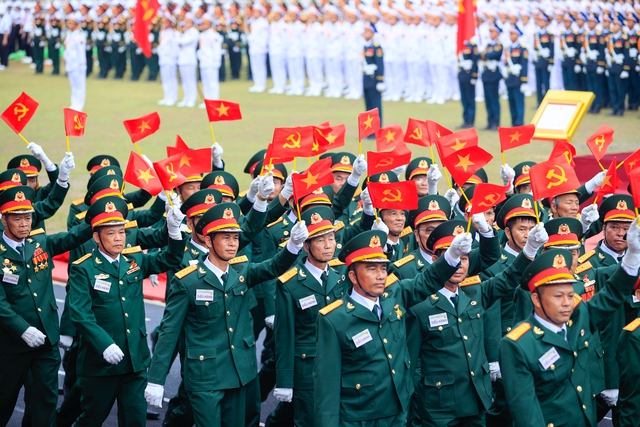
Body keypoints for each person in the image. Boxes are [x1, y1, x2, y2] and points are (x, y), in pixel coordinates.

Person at [145, 203, 309, 427]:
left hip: (240, 373)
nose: (233, 243)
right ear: (209, 240)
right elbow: (169, 332)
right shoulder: (187, 282)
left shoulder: (242, 271)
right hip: (205, 376)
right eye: (225, 237)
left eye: (235, 237)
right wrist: (156, 379)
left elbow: (272, 267)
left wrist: (293, 245)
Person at [313, 229, 469, 426]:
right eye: (371, 269)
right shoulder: (334, 319)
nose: (380, 276)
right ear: (353, 276)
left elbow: (428, 280)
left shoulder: (394, 296)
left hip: (398, 411)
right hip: (359, 418)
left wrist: (452, 255)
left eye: (383, 268)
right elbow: (326, 385)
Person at [500, 225, 640, 427]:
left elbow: (612, 294)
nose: (567, 302)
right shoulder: (517, 345)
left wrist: (633, 254)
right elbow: (526, 412)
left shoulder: (578, 318)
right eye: (558, 296)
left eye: (569, 294)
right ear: (536, 300)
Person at [68, 196, 186, 426]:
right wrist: (104, 344)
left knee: (134, 420)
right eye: (111, 233)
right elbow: (80, 314)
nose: (118, 238)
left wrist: (173, 230)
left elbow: (170, 258)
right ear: (96, 236)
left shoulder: (134, 261)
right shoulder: (84, 268)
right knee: (91, 419)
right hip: (100, 365)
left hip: (135, 362)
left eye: (121, 232)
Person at [0, 183, 93, 427]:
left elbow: (73, 237)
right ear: (4, 219)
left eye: (28, 217)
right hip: (11, 346)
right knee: (4, 401)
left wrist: (97, 216)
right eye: (17, 218)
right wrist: (22, 329)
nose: (24, 223)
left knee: (45, 402)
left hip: (45, 341)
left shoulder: (39, 242)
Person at [197, 14, 223, 108]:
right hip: (204, 61)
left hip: (211, 61)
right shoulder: (202, 35)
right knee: (205, 82)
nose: (202, 25)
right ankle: (207, 100)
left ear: (209, 24)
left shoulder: (214, 35)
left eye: (205, 24)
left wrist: (217, 61)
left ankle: (215, 101)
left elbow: (217, 49)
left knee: (212, 82)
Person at [504, 25, 528, 126]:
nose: (511, 36)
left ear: (518, 35)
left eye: (513, 34)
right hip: (510, 79)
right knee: (511, 102)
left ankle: (519, 122)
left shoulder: (522, 49)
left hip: (518, 80)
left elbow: (525, 65)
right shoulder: (508, 48)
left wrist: (524, 81)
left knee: (519, 103)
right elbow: (506, 63)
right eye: (510, 34)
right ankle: (513, 122)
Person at [481, 23, 503, 131]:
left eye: (493, 32)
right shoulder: (488, 45)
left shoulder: (498, 45)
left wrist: (484, 54)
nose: (491, 34)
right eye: (490, 32)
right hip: (486, 74)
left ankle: (496, 122)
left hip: (494, 74)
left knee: (494, 99)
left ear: (498, 34)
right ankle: (489, 121)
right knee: (488, 100)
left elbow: (492, 55)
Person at [63, 13, 87, 111]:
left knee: (80, 86)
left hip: (78, 64)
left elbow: (81, 52)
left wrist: (82, 65)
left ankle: (79, 105)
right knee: (73, 85)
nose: (69, 25)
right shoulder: (69, 34)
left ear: (76, 24)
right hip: (70, 63)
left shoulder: (79, 36)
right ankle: (74, 103)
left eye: (71, 23)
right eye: (68, 23)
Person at [362, 22, 385, 124]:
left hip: (374, 79)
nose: (365, 34)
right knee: (368, 105)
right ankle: (369, 130)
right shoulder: (365, 46)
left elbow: (380, 65)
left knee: (375, 105)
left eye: (367, 31)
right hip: (366, 78)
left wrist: (380, 80)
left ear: (372, 33)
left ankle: (377, 130)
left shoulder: (376, 47)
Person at [177, 14, 198, 108]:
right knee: (184, 80)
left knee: (190, 79)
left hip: (190, 58)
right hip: (183, 58)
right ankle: (186, 97)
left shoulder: (194, 32)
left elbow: (183, 42)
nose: (186, 24)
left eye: (188, 22)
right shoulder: (185, 32)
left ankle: (192, 98)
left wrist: (178, 38)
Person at [457, 39, 480, 129]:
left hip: (469, 76)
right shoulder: (461, 43)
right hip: (462, 75)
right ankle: (465, 120)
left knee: (470, 100)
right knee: (464, 100)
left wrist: (474, 76)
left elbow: (475, 61)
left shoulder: (473, 46)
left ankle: (470, 121)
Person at [247, 5, 268, 93]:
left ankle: (262, 84)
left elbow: (265, 36)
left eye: (257, 12)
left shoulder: (263, 22)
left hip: (260, 47)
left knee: (260, 67)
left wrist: (262, 45)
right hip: (253, 47)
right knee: (254, 66)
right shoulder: (252, 22)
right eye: (254, 12)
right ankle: (257, 83)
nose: (255, 14)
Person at [158, 15, 179, 106]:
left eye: (166, 22)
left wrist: (173, 58)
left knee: (171, 79)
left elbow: (175, 47)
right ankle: (166, 96)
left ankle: (172, 97)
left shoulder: (174, 33)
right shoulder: (163, 32)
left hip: (170, 59)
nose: (163, 24)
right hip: (163, 58)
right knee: (165, 79)